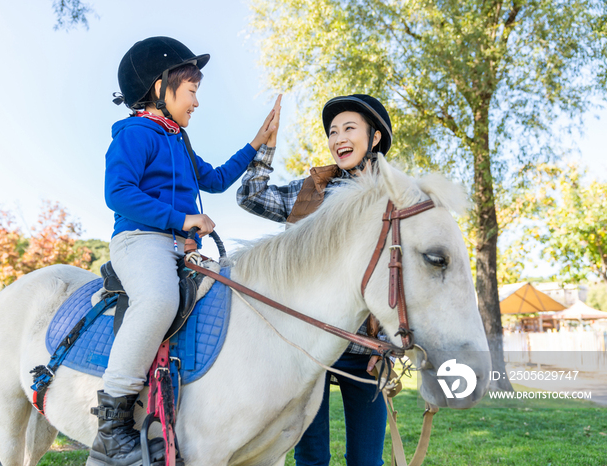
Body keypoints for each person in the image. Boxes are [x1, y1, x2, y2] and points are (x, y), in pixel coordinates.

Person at [90, 36, 280, 466]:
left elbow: (213, 180)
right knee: (159, 299)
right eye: (191, 91)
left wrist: (255, 145)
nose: (196, 102)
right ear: (160, 89)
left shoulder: (179, 140)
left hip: (179, 244)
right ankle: (113, 427)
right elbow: (117, 193)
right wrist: (181, 220)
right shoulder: (137, 133)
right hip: (140, 240)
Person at [237, 94, 393, 466]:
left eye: (349, 128)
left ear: (373, 139)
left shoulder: (393, 199)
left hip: (365, 349)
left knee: (367, 461)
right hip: (309, 348)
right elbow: (250, 195)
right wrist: (266, 148)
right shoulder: (313, 190)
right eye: (333, 131)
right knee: (310, 458)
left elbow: (395, 276)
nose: (339, 137)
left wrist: (386, 342)